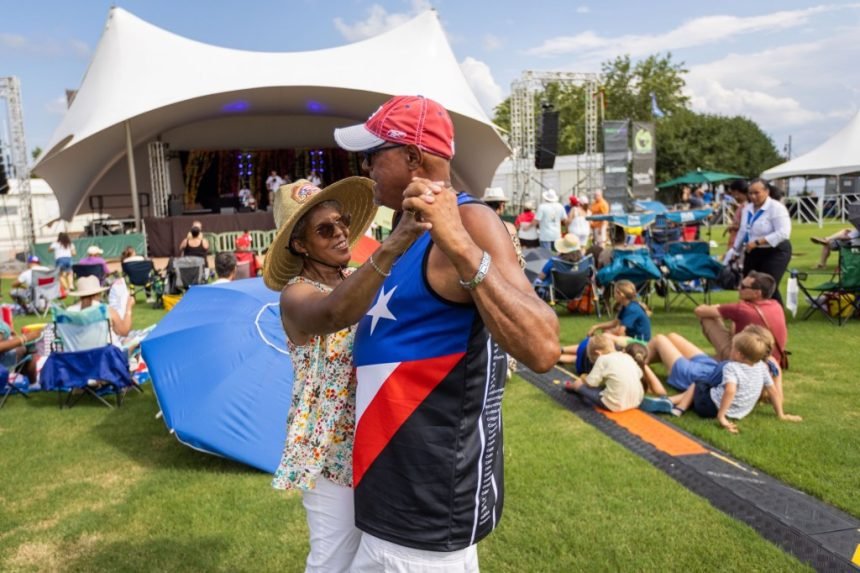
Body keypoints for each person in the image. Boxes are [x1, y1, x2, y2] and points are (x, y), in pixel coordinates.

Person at [334, 94, 559, 570]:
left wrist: (459, 243)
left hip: (428, 507)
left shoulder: (469, 220)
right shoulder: (407, 226)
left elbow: (542, 346)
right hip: (391, 492)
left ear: (413, 157)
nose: (366, 167)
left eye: (373, 155)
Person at [265, 177, 425, 573]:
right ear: (300, 245)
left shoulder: (361, 276)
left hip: (381, 434)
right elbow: (334, 312)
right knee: (333, 560)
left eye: (342, 222)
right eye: (325, 229)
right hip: (331, 447)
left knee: (378, 554)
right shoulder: (295, 294)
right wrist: (393, 244)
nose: (340, 233)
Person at [649, 329, 802, 432]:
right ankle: (669, 397)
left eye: (733, 348)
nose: (730, 350)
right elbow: (773, 391)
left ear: (740, 354)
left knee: (660, 340)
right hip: (713, 373)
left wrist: (721, 416)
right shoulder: (762, 366)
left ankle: (675, 405)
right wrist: (781, 414)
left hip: (704, 392)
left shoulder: (731, 367)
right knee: (672, 337)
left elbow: (729, 390)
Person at [694, 271, 787, 375]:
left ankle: (723, 357)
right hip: (772, 361)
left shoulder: (741, 309)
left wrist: (716, 307)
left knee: (708, 317)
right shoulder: (776, 305)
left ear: (757, 293)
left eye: (743, 287)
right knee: (734, 322)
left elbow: (700, 311)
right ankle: (720, 357)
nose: (738, 288)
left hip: (744, 361)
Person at [731, 177, 791, 305]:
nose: (753, 196)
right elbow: (743, 230)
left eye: (756, 193)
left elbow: (783, 232)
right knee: (748, 285)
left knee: (767, 286)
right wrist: (735, 251)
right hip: (752, 251)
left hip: (775, 251)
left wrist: (759, 242)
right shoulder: (747, 208)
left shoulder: (776, 208)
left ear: (766, 191)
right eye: (750, 193)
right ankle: (751, 313)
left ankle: (776, 313)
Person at [562, 334, 643, 412]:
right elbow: (640, 374)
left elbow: (591, 383)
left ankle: (571, 386)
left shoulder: (602, 359)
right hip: (636, 401)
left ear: (598, 353)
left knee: (579, 383)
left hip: (615, 405)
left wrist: (583, 378)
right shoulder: (627, 356)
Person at [67, 275, 134, 345]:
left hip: (77, 351)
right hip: (105, 351)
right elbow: (124, 332)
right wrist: (128, 307)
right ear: (98, 294)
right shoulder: (105, 310)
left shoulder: (69, 312)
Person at [587, 279, 652, 342]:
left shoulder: (632, 309)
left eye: (615, 293)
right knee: (606, 331)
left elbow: (620, 332)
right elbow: (614, 323)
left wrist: (602, 336)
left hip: (640, 342)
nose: (614, 295)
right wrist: (596, 327)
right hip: (633, 338)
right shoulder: (626, 306)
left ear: (621, 294)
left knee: (605, 336)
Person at [723, 179, 749, 256]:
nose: (732, 196)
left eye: (732, 193)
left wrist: (732, 227)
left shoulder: (746, 207)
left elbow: (747, 226)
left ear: (737, 192)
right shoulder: (743, 205)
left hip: (738, 243)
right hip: (735, 241)